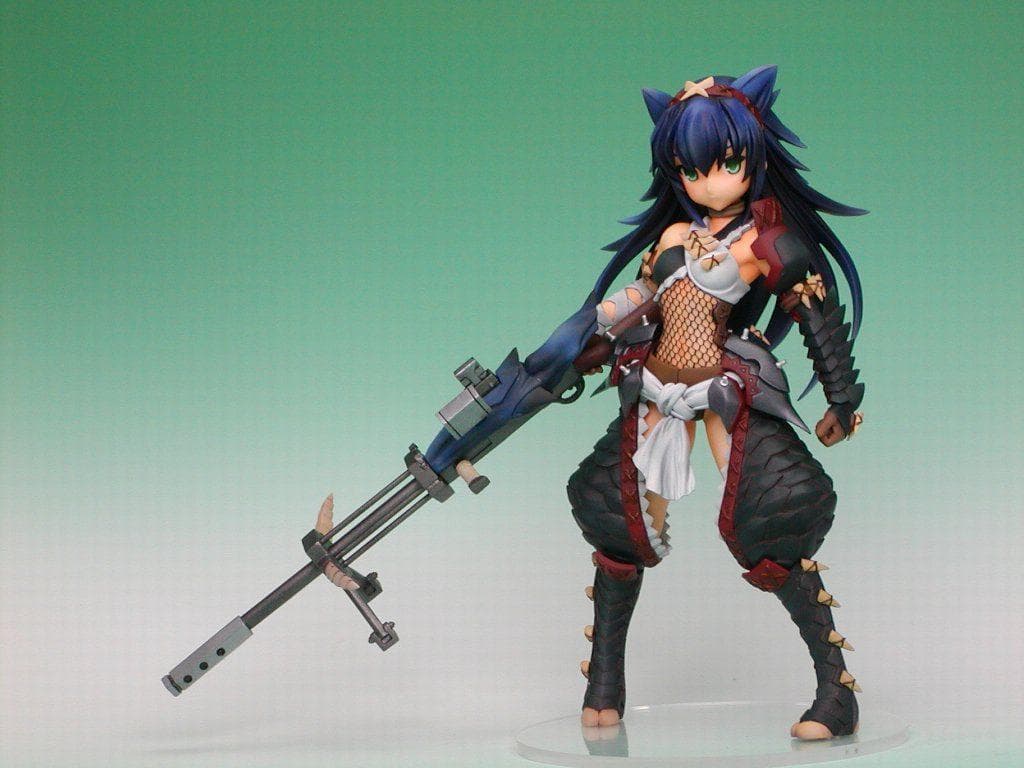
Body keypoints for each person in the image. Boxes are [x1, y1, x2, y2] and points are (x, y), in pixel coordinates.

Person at [567, 65, 866, 740]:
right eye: (689, 169)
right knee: (616, 518)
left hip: (725, 388)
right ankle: (604, 680)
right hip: (655, 385)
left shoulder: (766, 240)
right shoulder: (674, 236)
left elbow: (815, 315)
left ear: (751, 158)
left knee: (772, 519)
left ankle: (836, 692)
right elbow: (642, 298)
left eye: (724, 164)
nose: (707, 182)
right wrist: (592, 328)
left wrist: (841, 399)